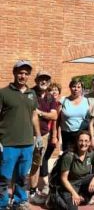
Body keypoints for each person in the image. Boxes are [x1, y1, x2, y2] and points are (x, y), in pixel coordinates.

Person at [0, 60, 42, 210]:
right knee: (4, 177)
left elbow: (34, 116)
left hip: (27, 143)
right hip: (8, 143)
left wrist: (38, 136)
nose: (22, 76)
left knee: (22, 176)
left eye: (25, 73)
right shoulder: (4, 93)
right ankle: (2, 204)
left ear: (29, 75)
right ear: (14, 73)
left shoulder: (32, 94)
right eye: (20, 72)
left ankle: (19, 201)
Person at [29, 71, 58, 204]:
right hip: (28, 134)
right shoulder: (30, 93)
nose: (44, 81)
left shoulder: (50, 97)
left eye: (46, 79)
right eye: (41, 78)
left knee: (37, 163)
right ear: (36, 80)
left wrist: (39, 112)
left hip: (44, 136)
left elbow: (54, 116)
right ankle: (22, 190)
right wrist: (46, 114)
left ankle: (32, 191)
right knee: (24, 162)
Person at [58, 131, 94, 209]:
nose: (83, 144)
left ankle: (84, 197)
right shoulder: (69, 156)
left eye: (86, 141)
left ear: (90, 142)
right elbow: (63, 178)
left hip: (83, 182)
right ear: (76, 142)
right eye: (81, 140)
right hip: (70, 186)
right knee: (72, 208)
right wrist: (73, 193)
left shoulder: (92, 154)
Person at [39, 82, 63, 198]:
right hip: (45, 133)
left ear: (59, 92)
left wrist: (56, 137)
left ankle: (46, 180)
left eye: (56, 90)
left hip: (53, 135)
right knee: (43, 158)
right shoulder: (47, 102)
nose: (54, 92)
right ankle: (45, 183)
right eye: (52, 90)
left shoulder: (59, 105)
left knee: (45, 157)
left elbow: (57, 123)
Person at [59, 79, 90, 151]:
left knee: (81, 156)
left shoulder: (87, 101)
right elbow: (57, 120)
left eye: (79, 87)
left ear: (82, 89)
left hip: (82, 134)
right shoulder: (63, 100)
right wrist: (55, 135)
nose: (76, 89)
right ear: (70, 88)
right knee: (68, 156)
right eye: (74, 86)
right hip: (67, 135)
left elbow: (90, 119)